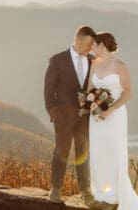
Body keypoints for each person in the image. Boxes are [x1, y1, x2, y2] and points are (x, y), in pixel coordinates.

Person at [87, 32, 138, 210]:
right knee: (98, 152)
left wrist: (110, 110)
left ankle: (114, 198)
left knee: (113, 153)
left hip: (115, 116)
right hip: (96, 118)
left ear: (102, 45)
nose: (91, 48)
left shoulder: (120, 66)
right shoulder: (94, 63)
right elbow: (90, 88)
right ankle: (102, 194)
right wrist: (93, 104)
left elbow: (128, 93)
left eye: (94, 45)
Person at [44, 25, 97, 206]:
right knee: (61, 151)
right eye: (88, 44)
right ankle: (56, 188)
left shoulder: (92, 61)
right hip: (63, 116)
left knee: (84, 152)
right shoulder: (57, 60)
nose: (90, 48)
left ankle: (85, 191)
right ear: (78, 40)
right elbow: (48, 89)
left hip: (85, 117)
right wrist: (53, 111)